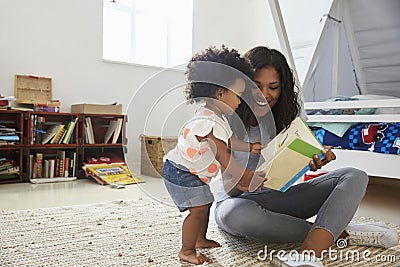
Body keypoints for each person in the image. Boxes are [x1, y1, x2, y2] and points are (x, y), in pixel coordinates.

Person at [213, 46, 399, 266]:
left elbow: (295, 160)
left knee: (354, 176)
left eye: (273, 87)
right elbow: (226, 190)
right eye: (256, 86)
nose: (264, 95)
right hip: (237, 201)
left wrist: (312, 160)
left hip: (281, 196)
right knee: (234, 215)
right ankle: (337, 233)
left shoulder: (289, 113)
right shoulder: (225, 115)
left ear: (282, 88)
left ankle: (307, 254)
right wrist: (243, 181)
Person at [162, 46, 266, 265]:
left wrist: (249, 147)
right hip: (180, 171)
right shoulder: (208, 122)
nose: (239, 102)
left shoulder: (214, 116)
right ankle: (186, 250)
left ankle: (200, 239)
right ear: (220, 93)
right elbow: (223, 155)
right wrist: (245, 176)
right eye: (237, 96)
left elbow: (227, 141)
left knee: (206, 202)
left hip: (189, 170)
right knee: (198, 210)